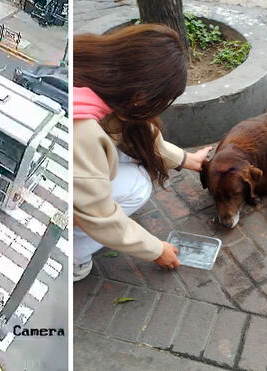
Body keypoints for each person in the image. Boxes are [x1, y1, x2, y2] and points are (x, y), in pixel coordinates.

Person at [73, 24, 212, 282]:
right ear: (140, 98)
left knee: (131, 163)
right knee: (138, 185)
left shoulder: (92, 62)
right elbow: (99, 217)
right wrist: (156, 251)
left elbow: (132, 132)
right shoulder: (83, 134)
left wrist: (186, 160)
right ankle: (73, 256)